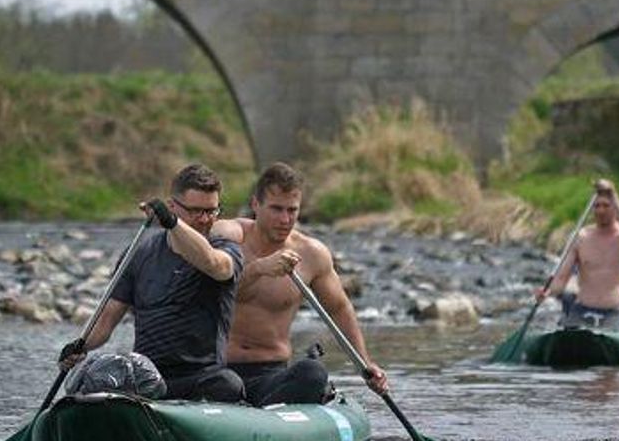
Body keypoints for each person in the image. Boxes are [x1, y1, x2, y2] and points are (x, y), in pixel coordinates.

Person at [58, 163, 245, 403]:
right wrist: (80, 346)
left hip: (201, 377)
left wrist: (174, 223)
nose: (205, 220)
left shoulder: (225, 249)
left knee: (229, 384)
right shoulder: (138, 252)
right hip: (147, 376)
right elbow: (106, 320)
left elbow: (215, 266)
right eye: (196, 211)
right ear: (172, 206)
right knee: (96, 378)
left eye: (212, 211)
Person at [211, 162, 388, 407]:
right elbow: (214, 288)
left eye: (292, 210)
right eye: (276, 209)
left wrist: (365, 363)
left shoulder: (311, 254)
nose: (285, 219)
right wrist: (260, 268)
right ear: (255, 205)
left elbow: (339, 309)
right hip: (217, 369)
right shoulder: (230, 236)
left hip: (269, 373)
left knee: (312, 373)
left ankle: (257, 418)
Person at [537, 179, 619, 329]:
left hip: (613, 313)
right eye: (597, 206)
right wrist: (547, 292)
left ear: (615, 208)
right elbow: (562, 277)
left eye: (606, 206)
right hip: (581, 310)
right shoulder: (581, 237)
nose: (601, 210)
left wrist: (613, 195)